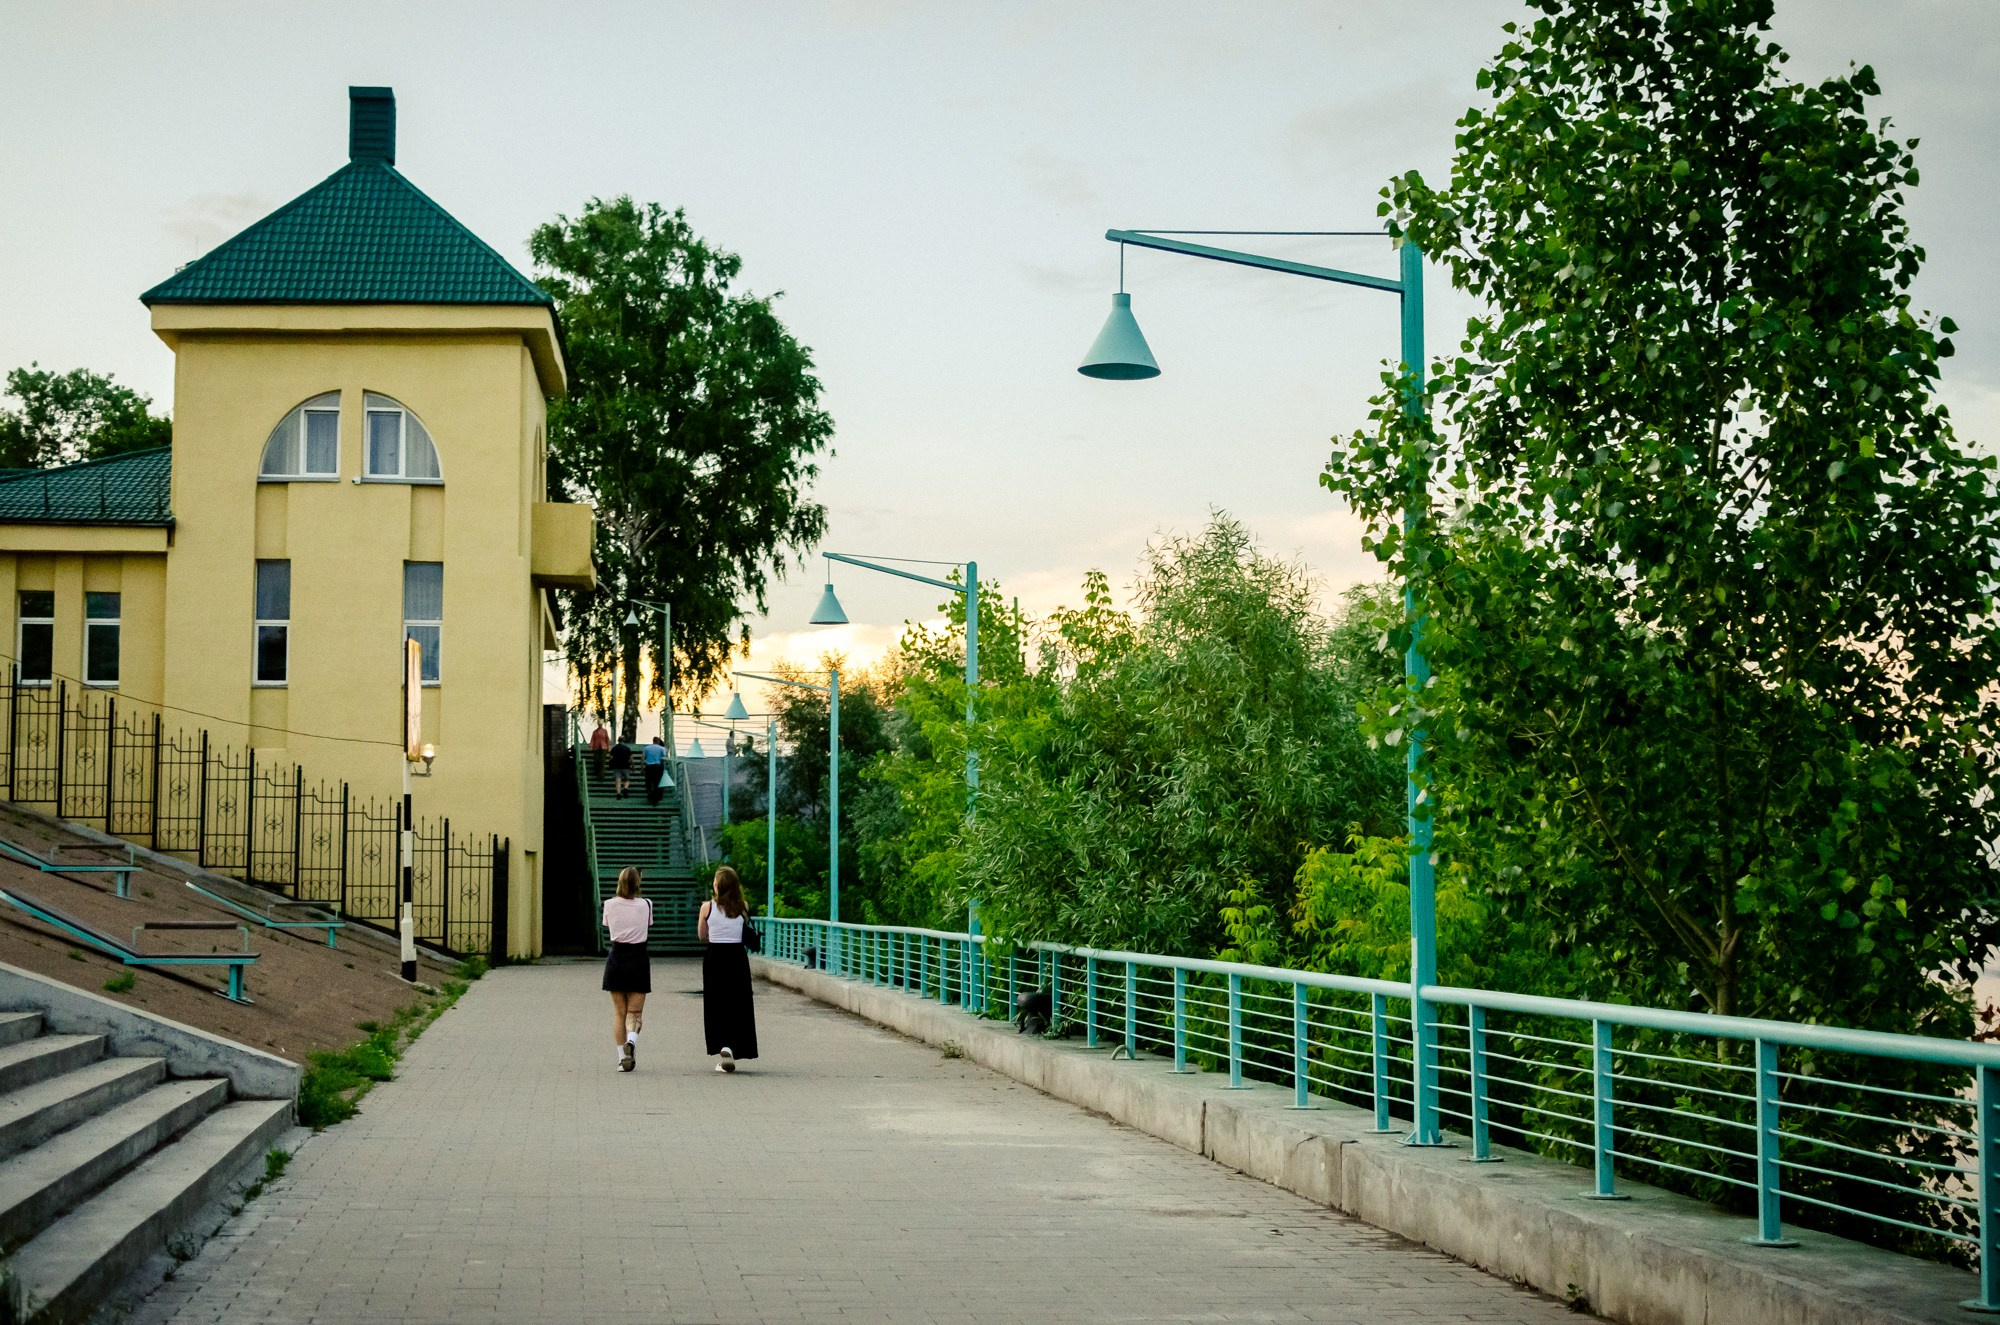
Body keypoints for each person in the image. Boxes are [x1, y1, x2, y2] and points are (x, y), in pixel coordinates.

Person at [698, 865, 759, 1073]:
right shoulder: (743, 906)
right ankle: (733, 1045)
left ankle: (722, 1044)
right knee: (737, 1003)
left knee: (716, 1003)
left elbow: (702, 935)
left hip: (715, 957)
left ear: (718, 885)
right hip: (737, 958)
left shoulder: (707, 907)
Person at [601, 867, 652, 1073]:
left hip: (616, 958)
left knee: (619, 1012)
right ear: (638, 883)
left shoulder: (609, 904)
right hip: (638, 959)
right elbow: (648, 926)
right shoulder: (646, 904)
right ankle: (632, 1041)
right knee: (635, 1012)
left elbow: (608, 926)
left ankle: (623, 1058)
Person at [642, 735, 666, 805]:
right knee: (657, 783)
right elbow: (664, 758)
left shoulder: (646, 748)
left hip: (649, 767)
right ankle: (655, 798)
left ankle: (649, 795)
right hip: (657, 767)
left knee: (648, 782)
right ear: (658, 741)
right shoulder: (662, 749)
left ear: (653, 741)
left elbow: (643, 758)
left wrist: (642, 767)